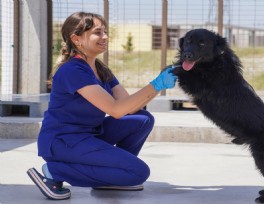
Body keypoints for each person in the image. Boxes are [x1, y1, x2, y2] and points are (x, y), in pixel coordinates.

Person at [26, 12, 177, 200]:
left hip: (90, 135)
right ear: (76, 38)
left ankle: (109, 176)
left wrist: (157, 86)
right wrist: (156, 84)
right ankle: (55, 171)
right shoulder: (73, 70)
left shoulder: (100, 69)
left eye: (105, 32)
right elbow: (115, 110)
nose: (105, 37)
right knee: (138, 173)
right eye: (98, 32)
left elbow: (128, 108)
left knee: (142, 119)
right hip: (63, 142)